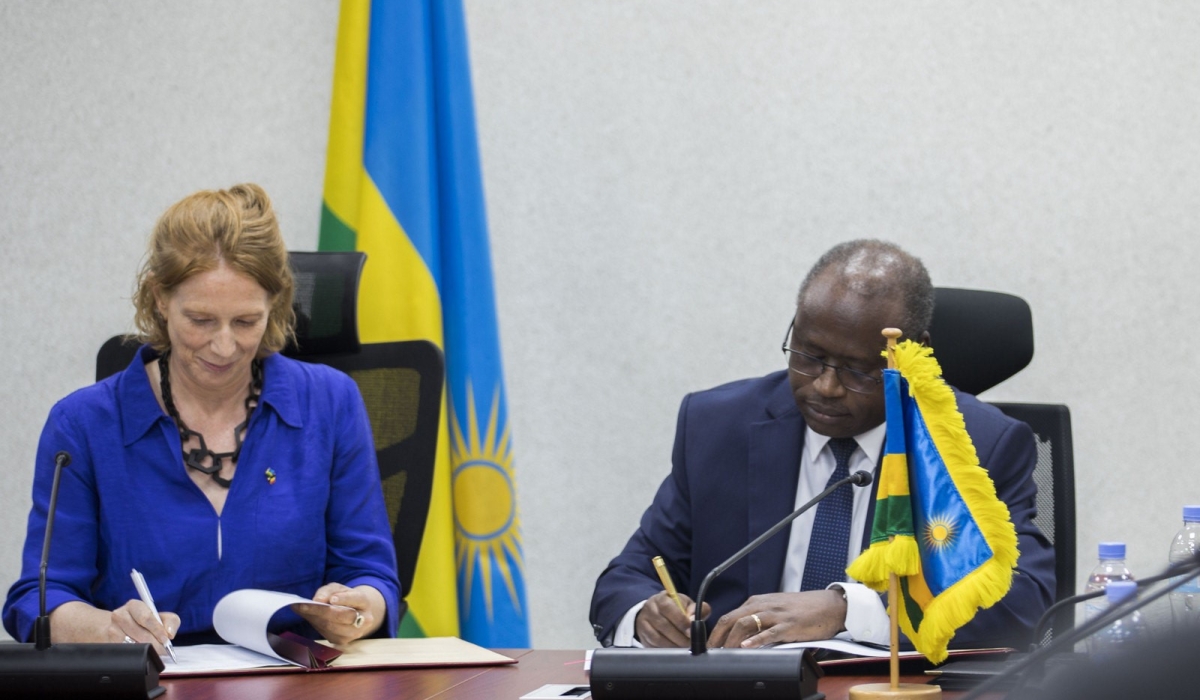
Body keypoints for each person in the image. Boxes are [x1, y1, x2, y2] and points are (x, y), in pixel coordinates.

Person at [589, 239, 1055, 650]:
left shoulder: (974, 446)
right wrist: (645, 615)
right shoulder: (717, 426)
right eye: (810, 356)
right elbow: (626, 578)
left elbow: (1022, 601)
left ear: (914, 353)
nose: (825, 386)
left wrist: (846, 610)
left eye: (857, 369)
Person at [3, 184, 401, 655]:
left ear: (275, 304)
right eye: (201, 320)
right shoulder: (84, 424)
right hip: (146, 683)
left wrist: (358, 608)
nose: (224, 346)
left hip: (296, 680)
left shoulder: (331, 403)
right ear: (159, 299)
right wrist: (105, 628)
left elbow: (372, 575)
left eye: (246, 322)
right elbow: (41, 598)